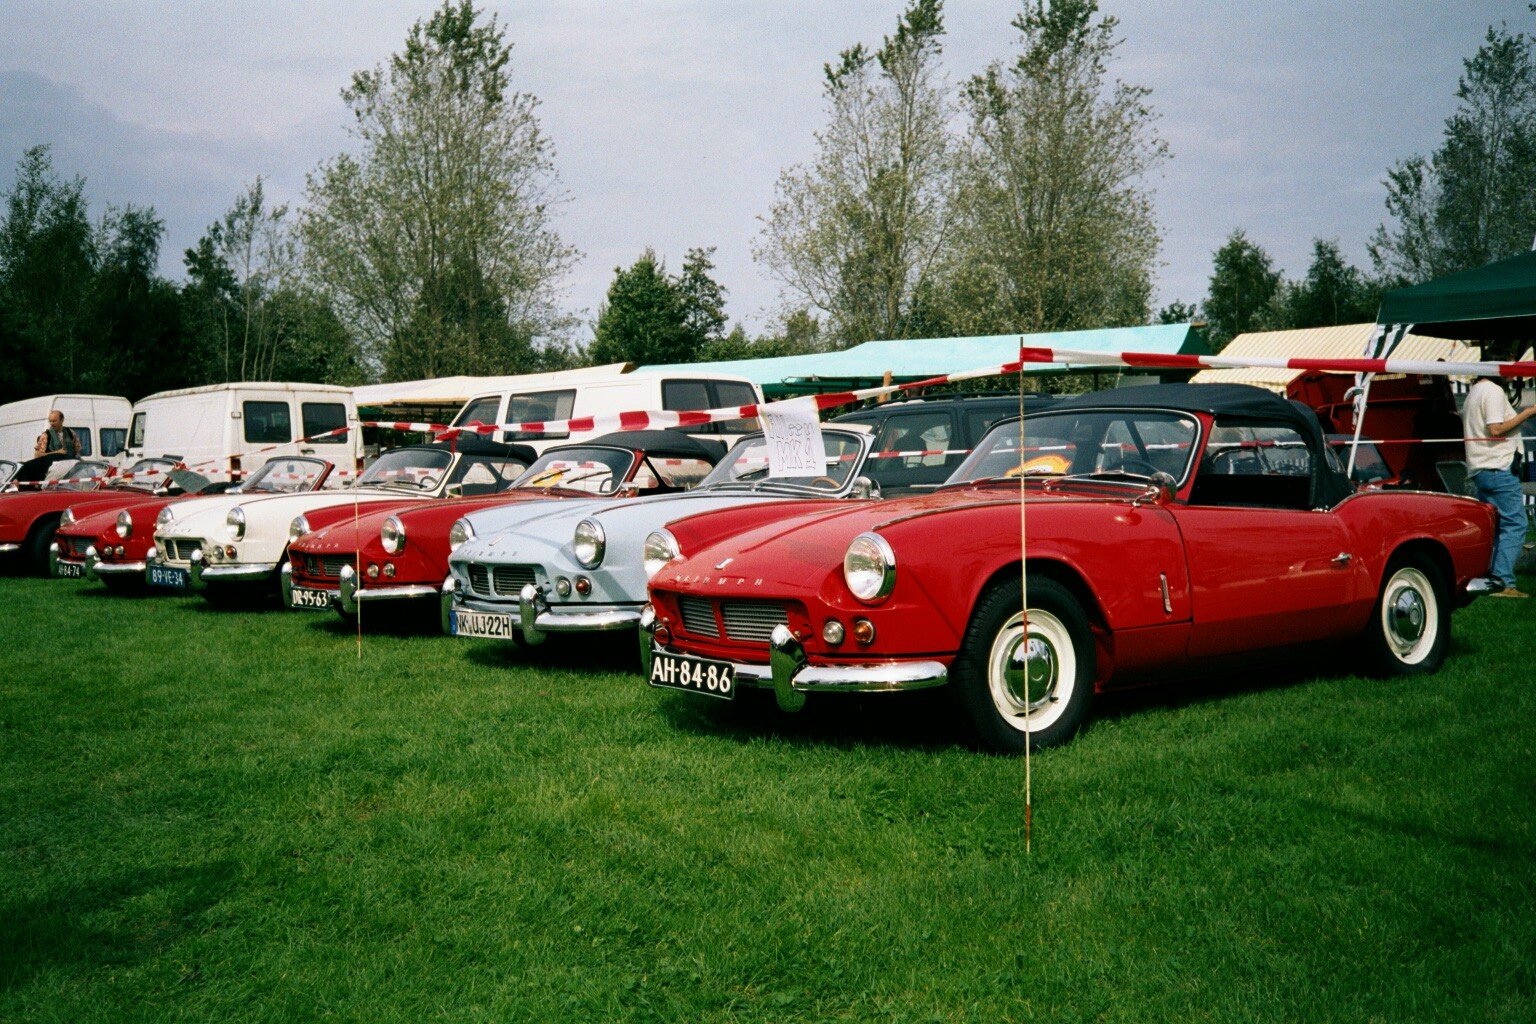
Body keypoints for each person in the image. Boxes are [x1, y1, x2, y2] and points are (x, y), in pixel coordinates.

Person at [1462, 370, 1536, 598]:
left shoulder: (1475, 390)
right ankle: (1503, 581)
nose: (1514, 374)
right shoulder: (1493, 391)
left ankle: (1492, 578)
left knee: (1498, 526)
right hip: (1498, 467)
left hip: (1483, 467)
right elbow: (1495, 429)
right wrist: (1528, 413)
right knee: (1516, 524)